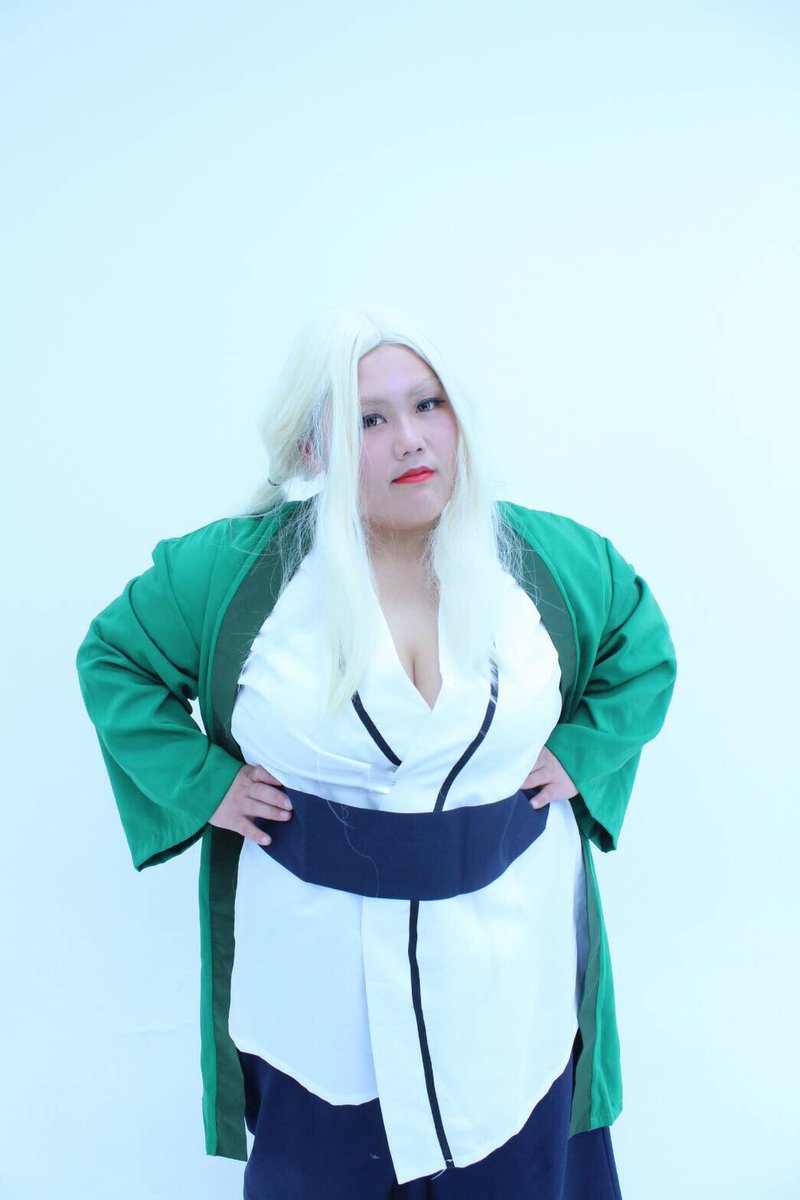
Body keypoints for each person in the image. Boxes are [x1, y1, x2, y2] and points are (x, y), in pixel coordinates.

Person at [76, 306, 677, 1199]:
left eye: (428, 405)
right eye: (369, 419)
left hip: (515, 970)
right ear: (312, 447)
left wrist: (583, 753)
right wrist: (203, 783)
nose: (410, 440)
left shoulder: (548, 557)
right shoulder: (234, 570)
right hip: (317, 984)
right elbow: (114, 657)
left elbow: (641, 645)